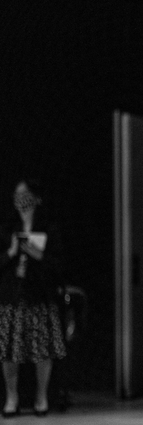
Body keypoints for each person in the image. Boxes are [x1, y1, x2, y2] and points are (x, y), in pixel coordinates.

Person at [0, 179, 66, 418]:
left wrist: (38, 255)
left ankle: (41, 397)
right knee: (10, 350)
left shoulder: (49, 227)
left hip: (39, 295)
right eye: (17, 195)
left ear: (36, 198)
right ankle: (12, 398)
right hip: (12, 295)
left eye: (25, 195)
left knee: (41, 349)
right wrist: (11, 252)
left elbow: (59, 265)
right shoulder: (7, 227)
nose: (21, 200)